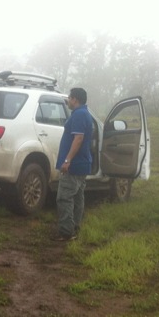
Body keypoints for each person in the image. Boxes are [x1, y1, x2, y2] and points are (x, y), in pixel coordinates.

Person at [53, 87, 94, 241]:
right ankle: (74, 229)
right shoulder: (84, 113)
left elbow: (78, 139)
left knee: (64, 198)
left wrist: (67, 160)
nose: (68, 100)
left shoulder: (79, 114)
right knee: (77, 198)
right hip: (82, 163)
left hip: (74, 165)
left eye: (69, 98)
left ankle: (66, 232)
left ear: (75, 99)